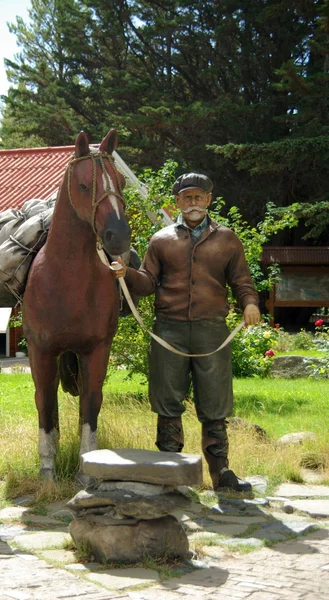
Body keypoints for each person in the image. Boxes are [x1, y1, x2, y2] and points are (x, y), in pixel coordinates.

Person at [112, 172, 260, 492]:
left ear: (209, 199)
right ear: (177, 201)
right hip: (169, 330)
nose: (193, 203)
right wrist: (127, 274)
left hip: (212, 331)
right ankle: (170, 477)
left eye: (199, 197)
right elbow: (149, 283)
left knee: (215, 404)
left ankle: (221, 475)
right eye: (186, 197)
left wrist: (250, 304)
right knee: (167, 403)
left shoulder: (228, 239)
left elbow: (242, 282)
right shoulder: (161, 240)